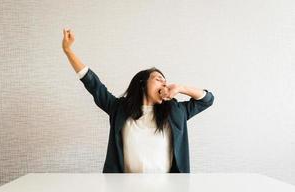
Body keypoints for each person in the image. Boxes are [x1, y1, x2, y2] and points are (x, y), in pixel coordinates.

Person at [62, 28, 215, 173]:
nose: (164, 83)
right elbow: (94, 85)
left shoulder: (176, 111)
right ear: (142, 84)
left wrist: (181, 88)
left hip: (167, 189)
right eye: (158, 79)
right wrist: (68, 51)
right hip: (125, 188)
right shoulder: (119, 108)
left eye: (165, 81)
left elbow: (206, 100)